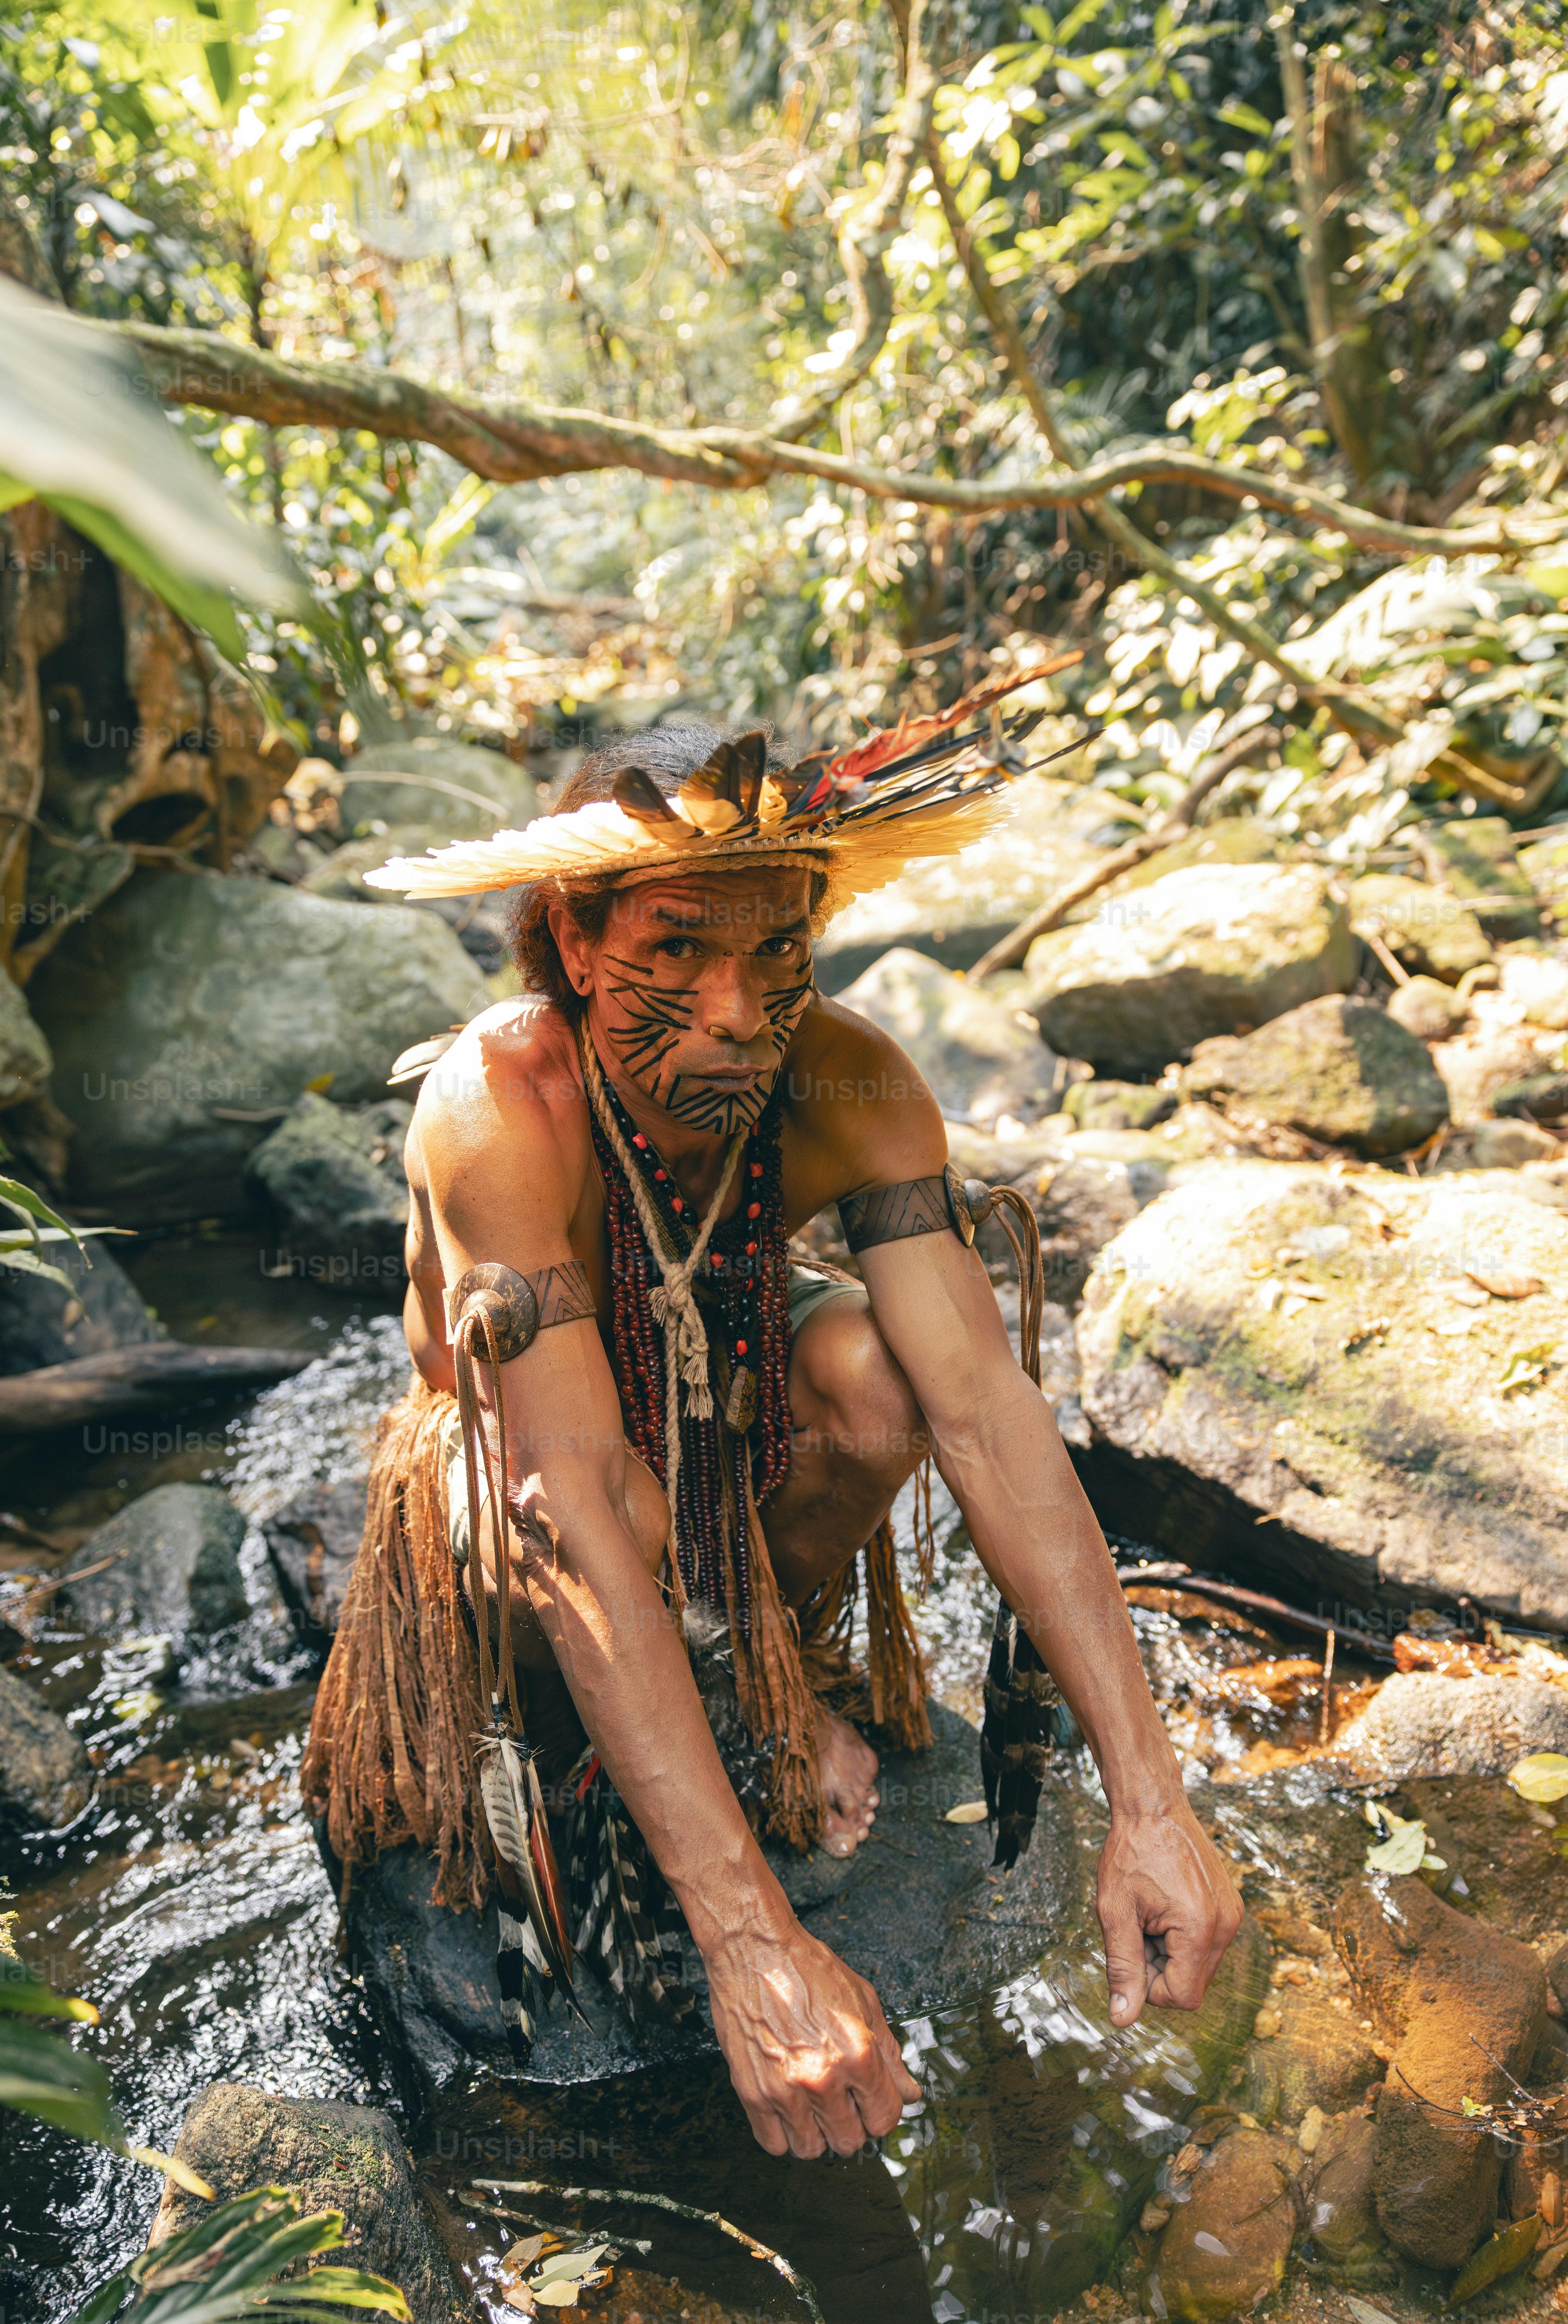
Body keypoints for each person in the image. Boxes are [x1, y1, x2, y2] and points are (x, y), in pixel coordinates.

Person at [301, 681, 1242, 2162]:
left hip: (726, 1420)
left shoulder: (848, 1074)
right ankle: (557, 1779)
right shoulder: (499, 1100)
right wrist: (752, 1946)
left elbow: (986, 1410)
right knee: (590, 1516)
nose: (739, 1010)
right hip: (530, 1489)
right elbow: (568, 1491)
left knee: (879, 1377)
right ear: (571, 936)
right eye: (675, 946)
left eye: (776, 949)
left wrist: (1151, 1800)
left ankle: (754, 1681)